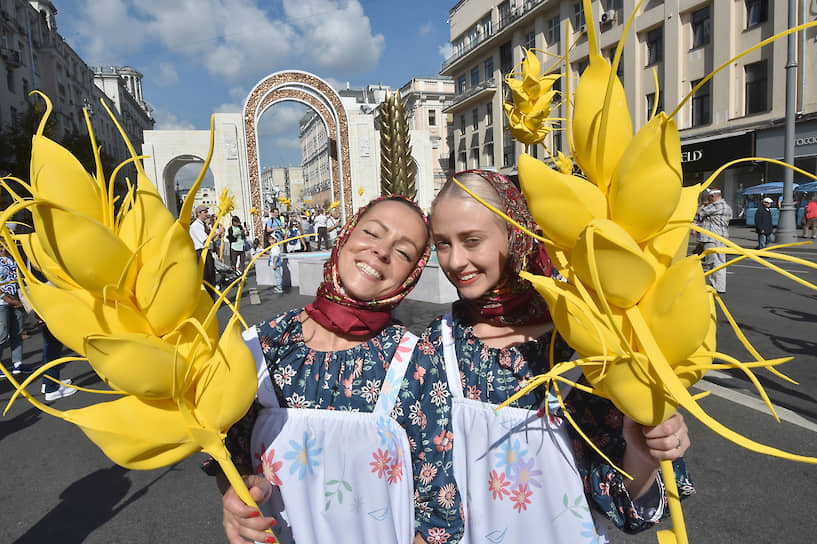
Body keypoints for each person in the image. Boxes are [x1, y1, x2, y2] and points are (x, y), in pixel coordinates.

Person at [412, 170, 693, 543]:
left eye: (472, 240)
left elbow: (623, 504)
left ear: (516, 235)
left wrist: (645, 453)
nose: (455, 261)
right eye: (442, 243)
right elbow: (425, 484)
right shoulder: (439, 342)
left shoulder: (583, 339)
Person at [218, 196, 463, 544]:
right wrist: (238, 496)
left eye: (404, 253)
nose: (380, 252)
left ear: (413, 274)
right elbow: (230, 459)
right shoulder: (262, 348)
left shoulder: (416, 363)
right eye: (372, 233)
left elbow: (439, 515)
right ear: (345, 236)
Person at [0, 240, 31, 377]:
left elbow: (21, 279)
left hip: (16, 301)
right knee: (2, 335)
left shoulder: (13, 259)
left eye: (5, 245)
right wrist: (10, 301)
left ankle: (17, 363)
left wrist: (21, 300)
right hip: (3, 303)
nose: (3, 249)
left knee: (17, 333)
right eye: (1, 246)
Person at [696, 187, 733, 293]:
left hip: (712, 238)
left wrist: (703, 203)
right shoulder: (727, 206)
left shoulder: (716, 205)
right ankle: (720, 286)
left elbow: (699, 212)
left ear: (712, 197)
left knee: (712, 263)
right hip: (722, 237)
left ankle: (715, 286)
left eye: (709, 197)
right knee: (720, 262)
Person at [189, 205, 217, 299]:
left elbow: (211, 240)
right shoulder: (196, 226)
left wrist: (218, 235)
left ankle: (211, 299)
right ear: (198, 214)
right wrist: (216, 233)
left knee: (211, 276)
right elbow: (206, 240)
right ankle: (207, 299)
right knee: (205, 278)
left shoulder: (203, 225)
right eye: (204, 212)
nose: (207, 214)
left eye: (206, 212)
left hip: (207, 252)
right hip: (201, 253)